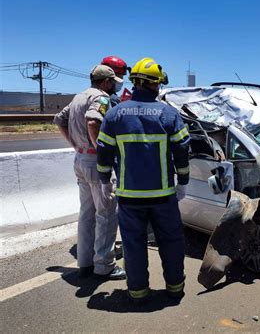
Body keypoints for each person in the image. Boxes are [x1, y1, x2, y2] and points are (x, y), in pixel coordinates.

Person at [96, 57, 190, 303]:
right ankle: (175, 288)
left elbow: (103, 150)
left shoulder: (115, 114)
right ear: (154, 84)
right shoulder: (168, 114)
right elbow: (182, 149)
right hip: (163, 196)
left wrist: (104, 179)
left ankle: (138, 293)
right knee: (171, 242)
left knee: (134, 246)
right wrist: (183, 181)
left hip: (129, 197)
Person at [53, 65, 126, 280]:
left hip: (80, 159)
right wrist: (100, 150)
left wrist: (75, 145)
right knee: (106, 213)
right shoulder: (101, 98)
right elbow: (93, 121)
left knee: (86, 213)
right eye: (113, 82)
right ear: (105, 82)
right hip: (95, 161)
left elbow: (59, 119)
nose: (115, 87)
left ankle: (85, 263)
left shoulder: (79, 96)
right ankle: (104, 266)